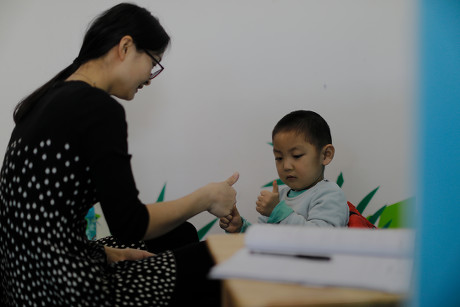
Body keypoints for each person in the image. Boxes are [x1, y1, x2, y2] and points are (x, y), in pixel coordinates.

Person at [0, 3, 238, 306]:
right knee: (215, 257)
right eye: (153, 63)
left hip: (22, 283)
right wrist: (207, 198)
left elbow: (44, 223)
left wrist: (106, 253)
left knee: (178, 235)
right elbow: (130, 225)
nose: (151, 78)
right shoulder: (98, 108)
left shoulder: (46, 100)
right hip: (64, 290)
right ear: (126, 46)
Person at [220, 110, 348, 233]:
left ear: (325, 155)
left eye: (297, 155)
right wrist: (240, 228)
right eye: (279, 158)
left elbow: (321, 240)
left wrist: (278, 212)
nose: (286, 166)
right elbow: (264, 240)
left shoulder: (330, 194)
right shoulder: (279, 198)